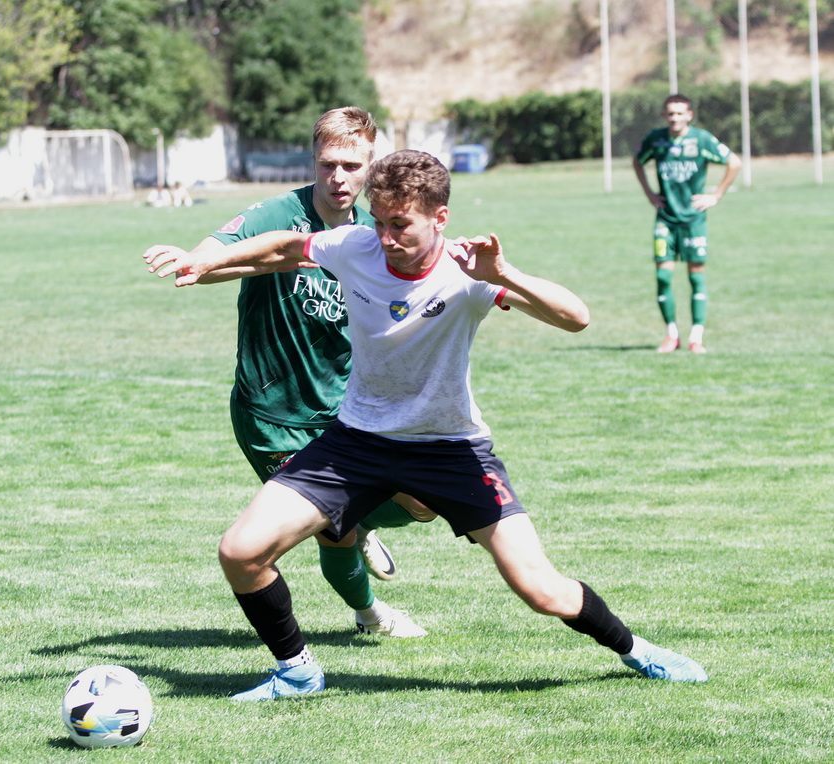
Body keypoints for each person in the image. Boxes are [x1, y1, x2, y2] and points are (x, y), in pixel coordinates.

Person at [145, 149, 709, 701]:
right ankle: (297, 671)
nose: (386, 237)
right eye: (379, 221)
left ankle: (636, 649)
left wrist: (505, 274)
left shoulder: (468, 272)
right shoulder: (356, 245)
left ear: (440, 218)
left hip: (450, 450)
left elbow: (576, 318)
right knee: (240, 551)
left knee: (541, 591)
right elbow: (288, 245)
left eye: (400, 225)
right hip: (355, 442)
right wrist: (207, 260)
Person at [156, 107, 432, 638]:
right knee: (335, 528)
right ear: (313, 161)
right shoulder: (279, 213)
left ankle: (363, 519)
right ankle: (372, 615)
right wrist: (195, 259)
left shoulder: (374, 232)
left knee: (422, 501)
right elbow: (214, 256)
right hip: (274, 415)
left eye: (352, 166)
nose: (338, 177)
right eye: (328, 164)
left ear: (371, 167)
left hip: (348, 406)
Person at [633, 94, 740, 354]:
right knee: (663, 276)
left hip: (694, 219)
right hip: (666, 218)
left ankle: (696, 337)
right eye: (671, 113)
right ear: (664, 115)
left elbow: (734, 162)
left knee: (696, 277)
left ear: (689, 115)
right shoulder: (655, 139)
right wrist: (649, 194)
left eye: (680, 113)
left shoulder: (701, 139)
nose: (675, 118)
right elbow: (637, 161)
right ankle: (671, 335)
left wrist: (716, 195)